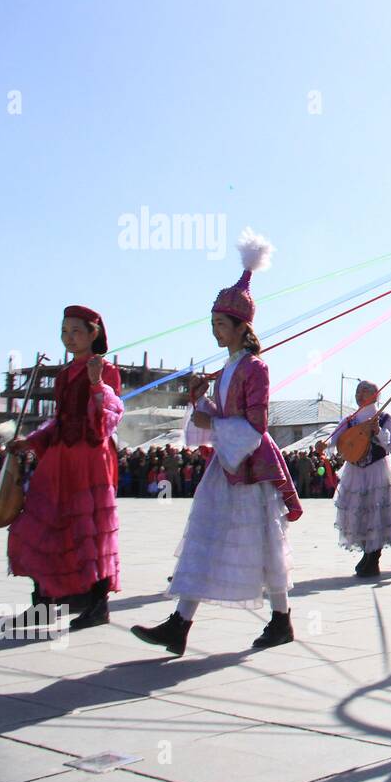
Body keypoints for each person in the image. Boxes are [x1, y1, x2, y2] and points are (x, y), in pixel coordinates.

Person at [132, 228, 303, 656]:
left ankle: (280, 619)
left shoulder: (254, 368)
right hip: (226, 467)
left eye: (220, 324)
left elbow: (256, 424)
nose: (215, 331)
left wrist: (212, 417)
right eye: (212, 323)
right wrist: (202, 403)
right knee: (205, 540)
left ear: (241, 326)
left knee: (262, 545)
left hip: (248, 468)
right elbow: (223, 417)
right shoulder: (227, 368)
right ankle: (179, 624)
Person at [5, 305, 123, 631]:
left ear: (93, 333)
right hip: (58, 459)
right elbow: (59, 420)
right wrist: (30, 441)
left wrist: (97, 384)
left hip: (90, 460)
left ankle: (98, 604)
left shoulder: (106, 370)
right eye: (64, 332)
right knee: (40, 527)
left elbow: (108, 419)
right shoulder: (63, 374)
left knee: (90, 532)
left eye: (76, 331)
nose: (69, 338)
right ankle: (43, 603)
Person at [328, 380, 391, 577]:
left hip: (377, 469)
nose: (359, 395)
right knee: (359, 512)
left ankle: (374, 556)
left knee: (376, 512)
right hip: (355, 471)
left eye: (364, 391)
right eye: (358, 391)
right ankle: (367, 553)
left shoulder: (385, 418)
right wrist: (323, 445)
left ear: (375, 394)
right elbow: (335, 439)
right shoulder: (350, 419)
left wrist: (379, 432)